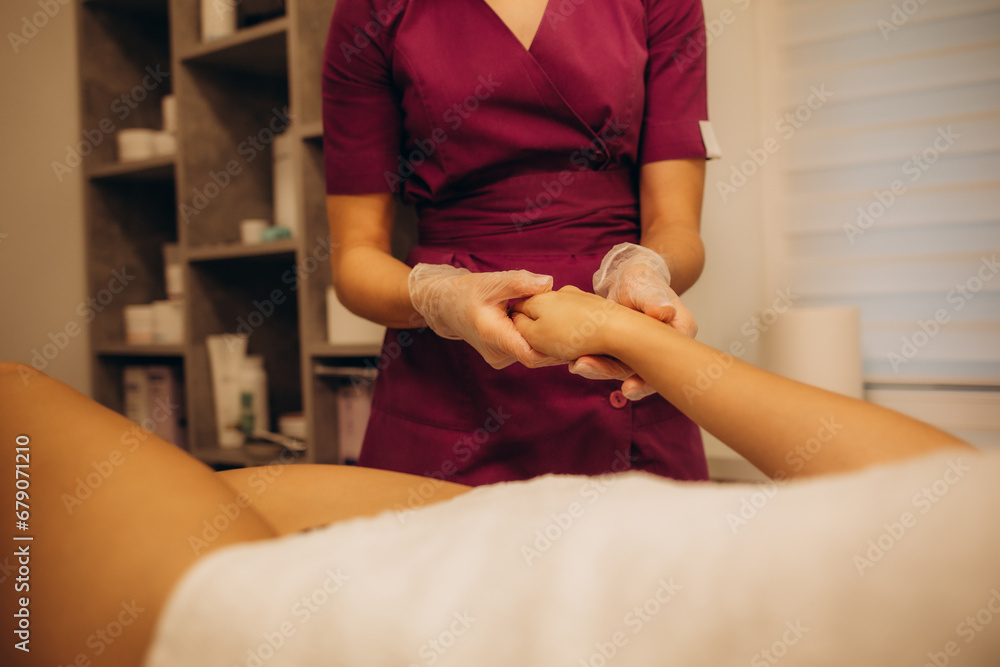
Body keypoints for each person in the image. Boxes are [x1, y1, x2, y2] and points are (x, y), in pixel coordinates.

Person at [2, 288, 989, 666]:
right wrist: (620, 331)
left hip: (316, 615)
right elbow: (931, 489)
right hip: (525, 530)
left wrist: (641, 292)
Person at [322, 0, 717, 485]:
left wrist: (647, 271)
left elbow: (677, 225)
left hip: (622, 360)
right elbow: (355, 258)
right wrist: (438, 297)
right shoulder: (370, 9)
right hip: (447, 381)